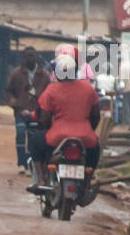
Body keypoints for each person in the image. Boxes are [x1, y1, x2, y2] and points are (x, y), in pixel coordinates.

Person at [31, 44, 101, 182]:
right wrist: (87, 130)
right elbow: (96, 116)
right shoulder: (88, 88)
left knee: (34, 141)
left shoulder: (51, 90)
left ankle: (40, 178)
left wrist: (49, 126)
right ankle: (88, 178)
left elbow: (44, 119)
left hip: (56, 137)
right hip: (85, 138)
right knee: (96, 147)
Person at [4, 47, 48, 174]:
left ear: (36, 57)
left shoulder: (44, 76)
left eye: (32, 56)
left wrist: (42, 109)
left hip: (37, 113)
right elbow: (8, 92)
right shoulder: (16, 74)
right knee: (21, 134)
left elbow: (49, 94)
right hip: (20, 112)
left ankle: (30, 164)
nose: (30, 58)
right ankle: (21, 163)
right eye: (27, 56)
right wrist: (16, 105)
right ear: (24, 58)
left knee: (33, 139)